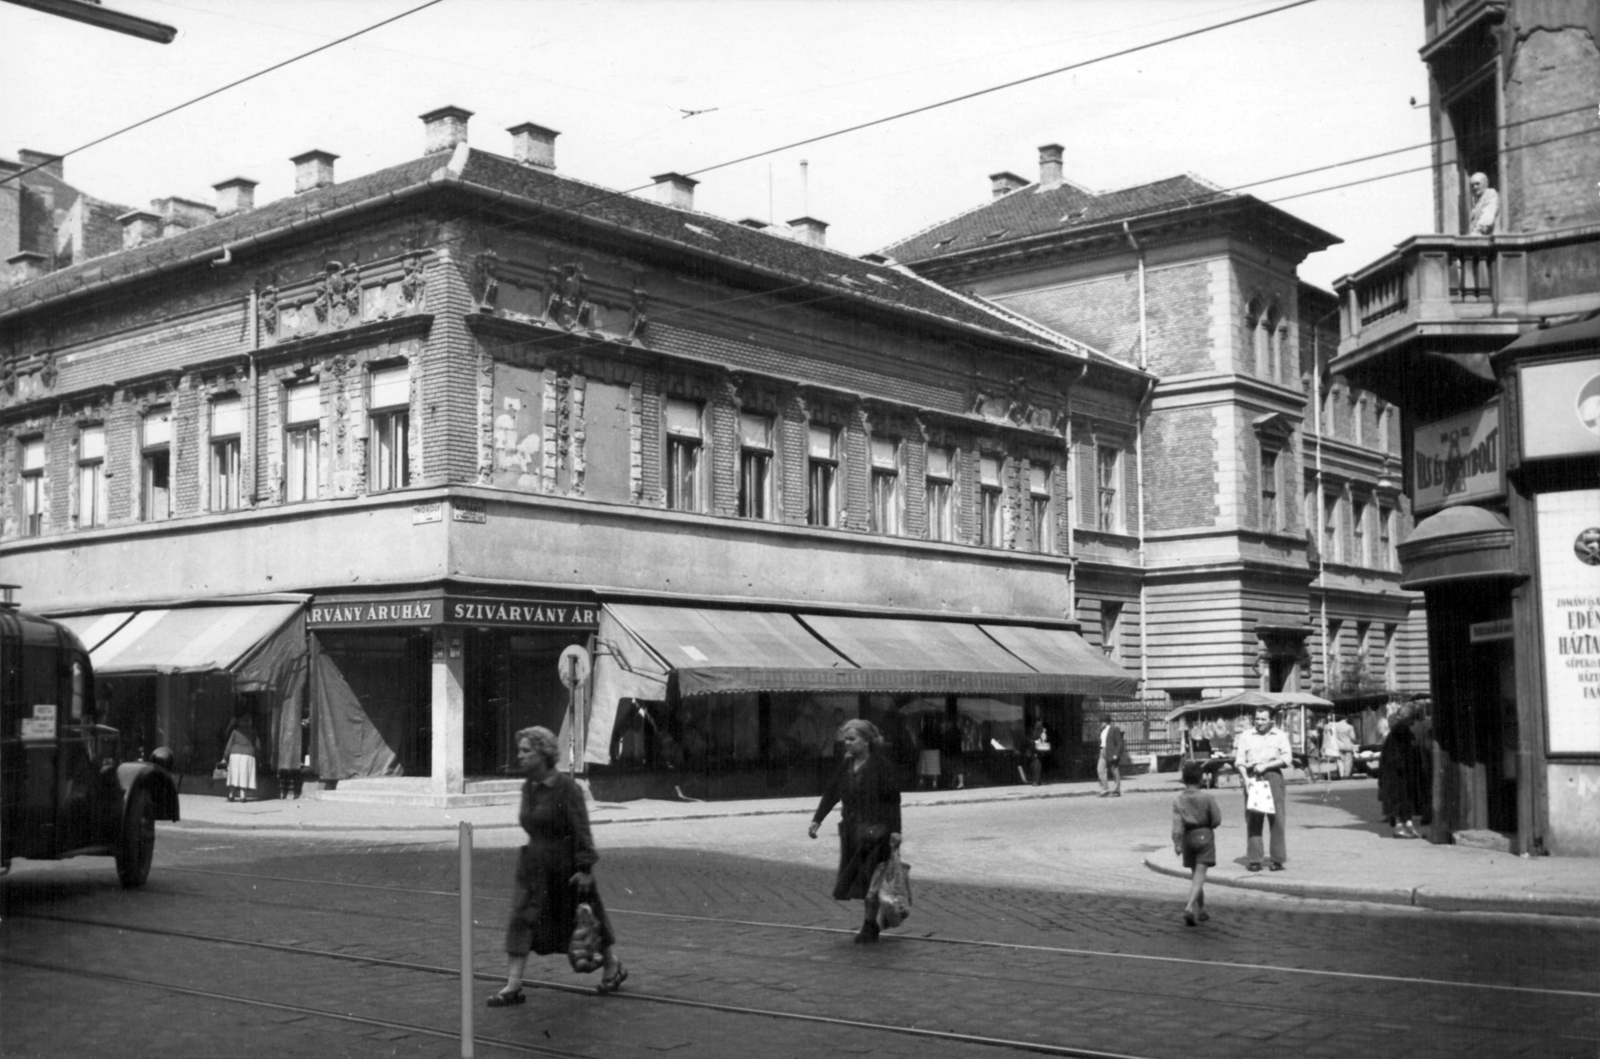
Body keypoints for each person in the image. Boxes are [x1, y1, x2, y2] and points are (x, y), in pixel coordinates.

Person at [489, 726, 626, 1007]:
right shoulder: (529, 786)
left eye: (526, 751)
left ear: (544, 753)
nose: (520, 756)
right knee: (521, 921)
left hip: (565, 871)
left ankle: (613, 965)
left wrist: (585, 867)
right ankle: (513, 985)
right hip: (532, 868)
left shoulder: (566, 787)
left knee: (582, 923)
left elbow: (582, 829)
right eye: (520, 750)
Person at [808, 718, 903, 943]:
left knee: (872, 882)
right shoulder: (846, 765)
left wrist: (896, 831)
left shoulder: (881, 766)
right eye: (845, 740)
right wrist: (817, 819)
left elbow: (892, 801)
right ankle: (874, 921)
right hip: (852, 832)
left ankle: (869, 926)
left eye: (852, 739)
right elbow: (833, 792)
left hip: (877, 833)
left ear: (867, 740)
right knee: (862, 882)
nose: (847, 743)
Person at [1234, 706, 1292, 871]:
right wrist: (1245, 779)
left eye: (1263, 719)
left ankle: (1277, 859)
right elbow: (1239, 760)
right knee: (1254, 818)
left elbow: (1287, 757)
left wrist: (1266, 765)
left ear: (1271, 721)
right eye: (1257, 718)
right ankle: (1254, 859)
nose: (1259, 722)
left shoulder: (1280, 735)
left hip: (1273, 776)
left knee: (1277, 819)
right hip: (1253, 777)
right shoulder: (1246, 735)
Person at [1172, 761, 1222, 926]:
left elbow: (1177, 825)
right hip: (1205, 837)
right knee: (1199, 878)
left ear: (1184, 780)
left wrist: (1177, 843)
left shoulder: (1179, 800)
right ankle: (1189, 908)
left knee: (1195, 876)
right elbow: (1216, 819)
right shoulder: (1207, 797)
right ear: (1201, 779)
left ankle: (1202, 910)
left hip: (1188, 838)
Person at [1378, 706, 1429, 839]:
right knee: (1401, 801)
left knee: (1405, 802)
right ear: (1408, 719)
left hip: (1400, 774)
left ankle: (1409, 826)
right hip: (1399, 775)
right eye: (1412, 719)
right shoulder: (1400, 732)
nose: (1414, 723)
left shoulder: (1399, 731)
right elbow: (1399, 756)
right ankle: (1400, 828)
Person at [221, 712, 259, 803]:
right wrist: (258, 755)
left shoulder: (235, 732)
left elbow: (229, 746)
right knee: (244, 775)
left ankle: (231, 795)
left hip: (235, 755)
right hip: (248, 755)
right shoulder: (253, 731)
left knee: (234, 774)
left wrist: (225, 757)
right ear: (250, 722)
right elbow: (258, 745)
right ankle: (243, 796)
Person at [1096, 715, 1124, 797]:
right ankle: (1105, 789)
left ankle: (1117, 790)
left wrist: (1116, 754)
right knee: (1100, 770)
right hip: (1102, 751)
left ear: (1106, 722)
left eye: (1102, 722)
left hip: (1111, 752)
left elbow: (1119, 743)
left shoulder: (1114, 729)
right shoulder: (1102, 730)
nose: (1100, 724)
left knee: (1114, 771)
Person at [1330, 713, 1358, 779]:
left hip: (1338, 746)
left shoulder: (1334, 726)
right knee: (1348, 762)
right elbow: (1353, 738)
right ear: (1346, 718)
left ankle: (1341, 775)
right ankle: (1347, 775)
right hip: (1348, 746)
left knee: (1340, 762)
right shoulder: (1349, 727)